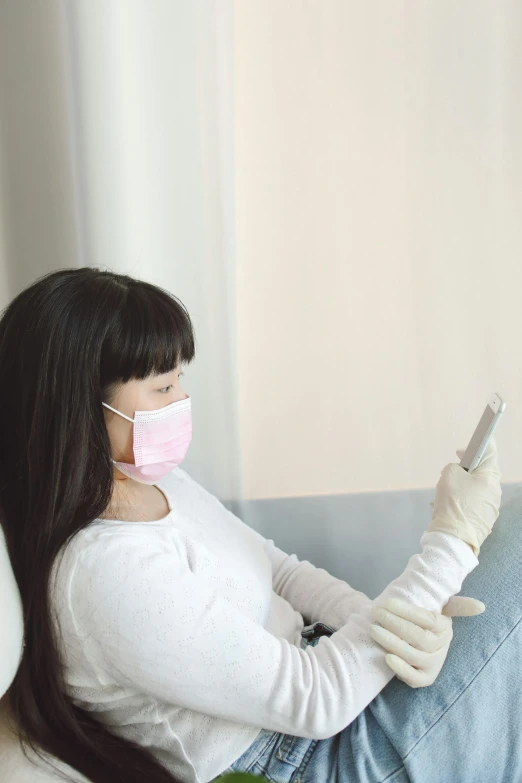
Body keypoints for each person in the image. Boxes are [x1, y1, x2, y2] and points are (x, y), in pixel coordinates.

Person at [0, 267, 510, 783]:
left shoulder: (152, 481)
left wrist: (400, 630)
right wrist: (453, 539)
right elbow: (316, 700)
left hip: (333, 675)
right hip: (311, 760)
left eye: (181, 379)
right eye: (162, 386)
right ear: (80, 405)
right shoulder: (104, 572)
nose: (181, 401)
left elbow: (281, 571)